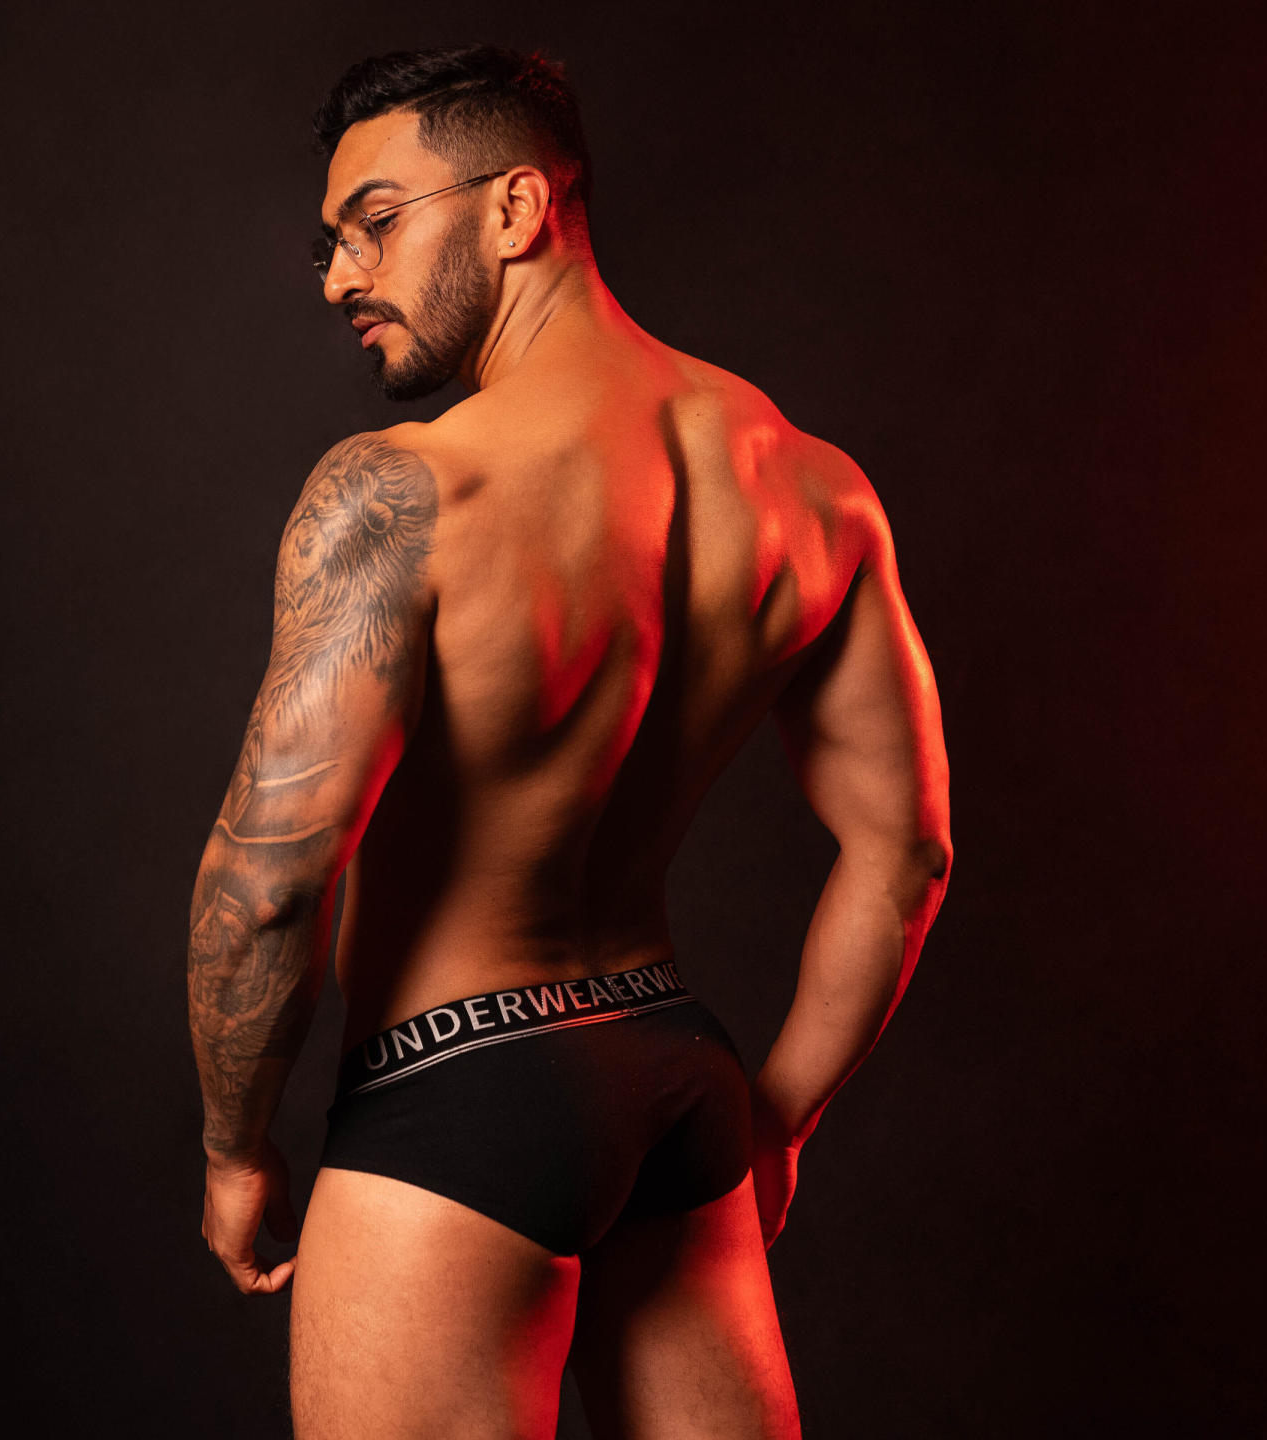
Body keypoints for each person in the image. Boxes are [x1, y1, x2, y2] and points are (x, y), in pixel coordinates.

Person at [187, 44, 951, 1439]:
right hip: (673, 1072)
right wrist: (775, 1117)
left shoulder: (404, 491)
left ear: (517, 208)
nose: (339, 277)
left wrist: (234, 1150)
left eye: (375, 223)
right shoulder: (813, 486)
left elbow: (273, 881)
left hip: (454, 1087)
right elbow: (906, 855)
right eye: (329, 242)